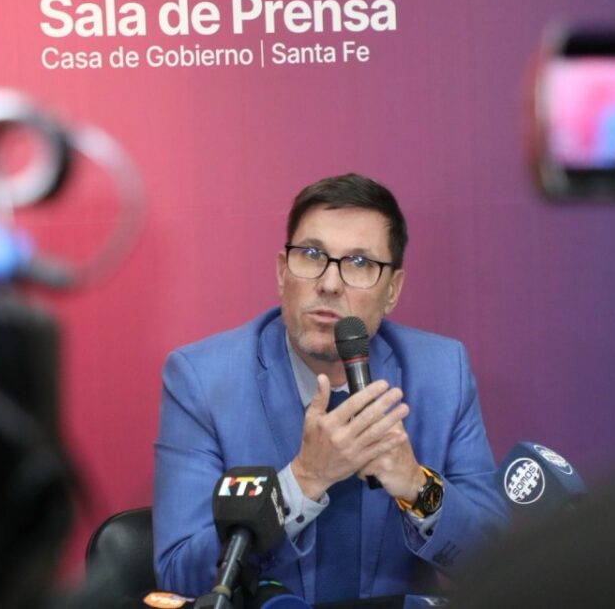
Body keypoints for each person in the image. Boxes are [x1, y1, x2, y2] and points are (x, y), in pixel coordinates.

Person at [153, 174, 508, 604]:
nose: (330, 283)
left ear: (392, 290)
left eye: (359, 263)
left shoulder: (441, 373)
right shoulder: (203, 380)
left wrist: (417, 485)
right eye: (311, 255)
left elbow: (498, 559)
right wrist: (304, 479)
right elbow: (179, 571)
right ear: (282, 272)